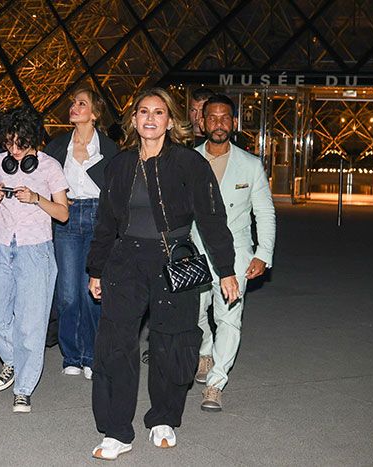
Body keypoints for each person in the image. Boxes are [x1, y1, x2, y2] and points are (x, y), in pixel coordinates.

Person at [86, 87, 239, 459]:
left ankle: (163, 418)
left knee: (172, 343)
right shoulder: (120, 165)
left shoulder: (188, 163)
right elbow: (105, 222)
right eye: (143, 112)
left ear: (170, 121)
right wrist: (96, 269)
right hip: (125, 261)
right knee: (115, 345)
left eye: (158, 112)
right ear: (134, 119)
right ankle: (117, 430)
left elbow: (212, 218)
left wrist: (226, 269)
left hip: (174, 259)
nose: (150, 118)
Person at [0, 106, 68, 413]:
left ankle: (24, 388)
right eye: (8, 143)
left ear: (32, 141)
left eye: (20, 143)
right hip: (1, 246)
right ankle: (14, 359)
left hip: (35, 252)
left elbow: (63, 213)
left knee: (31, 324)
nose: (13, 150)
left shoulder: (50, 167)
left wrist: (37, 199)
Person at [192, 94, 276, 412]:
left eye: (225, 117)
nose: (218, 123)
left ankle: (215, 383)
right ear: (202, 123)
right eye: (212, 117)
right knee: (197, 312)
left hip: (238, 252)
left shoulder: (250, 165)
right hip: (197, 251)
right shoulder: (188, 161)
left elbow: (264, 213)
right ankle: (204, 350)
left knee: (229, 319)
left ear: (234, 123)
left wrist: (262, 253)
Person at [44, 88, 119, 379]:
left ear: (95, 113)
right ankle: (71, 354)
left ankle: (91, 354)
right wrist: (57, 198)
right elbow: (40, 179)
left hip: (99, 218)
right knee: (67, 294)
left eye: (81, 103)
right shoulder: (57, 146)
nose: (73, 107)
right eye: (73, 103)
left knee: (92, 292)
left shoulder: (110, 149)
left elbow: (118, 188)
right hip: (67, 220)